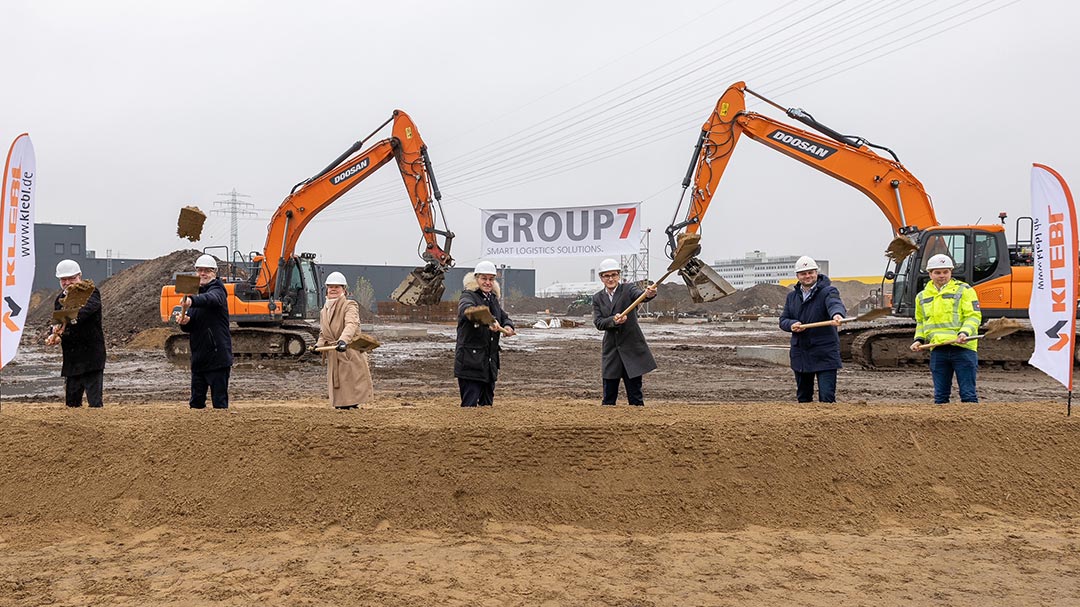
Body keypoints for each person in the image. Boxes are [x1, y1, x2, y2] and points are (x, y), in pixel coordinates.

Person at [909, 253, 982, 404]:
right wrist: (918, 340)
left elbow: (973, 316)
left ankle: (971, 426)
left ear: (951, 272)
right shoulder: (922, 296)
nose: (942, 276)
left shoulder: (964, 290)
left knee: (968, 395)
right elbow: (922, 322)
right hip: (938, 349)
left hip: (963, 348)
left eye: (945, 272)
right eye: (937, 272)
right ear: (930, 274)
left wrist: (964, 333)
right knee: (940, 397)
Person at [779, 256, 847, 403]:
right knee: (803, 399)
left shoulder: (828, 291)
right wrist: (791, 324)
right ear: (798, 276)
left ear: (816, 273)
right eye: (803, 273)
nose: (807, 276)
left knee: (827, 398)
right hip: (801, 354)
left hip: (824, 353)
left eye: (810, 272)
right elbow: (783, 320)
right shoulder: (792, 297)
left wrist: (836, 315)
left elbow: (834, 303)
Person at [592, 258, 657, 406]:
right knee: (608, 398)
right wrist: (613, 321)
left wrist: (649, 294)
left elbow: (641, 296)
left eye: (614, 275)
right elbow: (599, 322)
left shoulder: (628, 289)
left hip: (631, 349)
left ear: (619, 276)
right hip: (611, 351)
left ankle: (638, 425)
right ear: (601, 278)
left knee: (635, 397)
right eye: (606, 276)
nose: (611, 279)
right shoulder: (597, 298)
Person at [45, 259, 106, 408]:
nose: (67, 282)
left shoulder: (91, 292)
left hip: (91, 356)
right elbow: (57, 321)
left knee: (95, 403)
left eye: (71, 278)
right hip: (72, 358)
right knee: (71, 404)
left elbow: (82, 313)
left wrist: (61, 323)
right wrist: (54, 333)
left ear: (79, 276)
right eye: (63, 279)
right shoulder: (60, 299)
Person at [454, 260, 515, 407]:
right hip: (470, 362)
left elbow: (504, 317)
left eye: (491, 279)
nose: (488, 282)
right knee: (469, 408)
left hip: (488, 364)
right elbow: (467, 311)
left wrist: (508, 326)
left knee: (487, 408)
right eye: (484, 278)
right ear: (476, 279)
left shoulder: (492, 299)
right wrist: (489, 321)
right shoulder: (468, 296)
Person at [176, 254, 233, 409]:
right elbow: (192, 326)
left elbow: (212, 299)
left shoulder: (218, 289)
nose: (203, 274)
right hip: (199, 359)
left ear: (214, 273)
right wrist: (185, 323)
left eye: (207, 271)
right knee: (196, 403)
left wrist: (192, 301)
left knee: (219, 403)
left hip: (217, 359)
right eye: (200, 270)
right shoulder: (195, 292)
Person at [310, 271, 373, 410]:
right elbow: (324, 333)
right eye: (330, 286)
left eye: (337, 287)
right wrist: (318, 345)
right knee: (340, 393)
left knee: (351, 388)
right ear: (326, 288)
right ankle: (343, 411)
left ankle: (351, 412)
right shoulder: (324, 310)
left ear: (344, 289)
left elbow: (351, 324)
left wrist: (343, 341)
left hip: (349, 352)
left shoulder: (349, 305)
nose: (333, 289)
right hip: (335, 355)